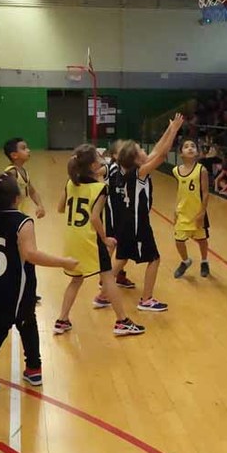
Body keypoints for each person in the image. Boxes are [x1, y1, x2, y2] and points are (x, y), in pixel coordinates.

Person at [0, 174, 78, 396]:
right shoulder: (22, 222)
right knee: (27, 324)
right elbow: (31, 254)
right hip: (17, 287)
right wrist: (63, 262)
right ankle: (33, 369)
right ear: (17, 198)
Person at [54, 144, 145, 336]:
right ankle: (122, 321)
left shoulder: (70, 183)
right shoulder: (100, 188)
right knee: (108, 277)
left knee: (76, 279)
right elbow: (95, 218)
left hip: (72, 238)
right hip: (90, 239)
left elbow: (60, 208)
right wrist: (105, 238)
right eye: (98, 156)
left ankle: (62, 320)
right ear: (94, 166)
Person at [108, 114, 184, 311]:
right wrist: (174, 132)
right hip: (137, 223)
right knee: (154, 258)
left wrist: (169, 129)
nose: (145, 151)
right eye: (141, 150)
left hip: (126, 222)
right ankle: (146, 299)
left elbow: (157, 150)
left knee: (123, 256)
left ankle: (102, 294)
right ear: (136, 159)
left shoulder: (126, 169)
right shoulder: (140, 173)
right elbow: (161, 155)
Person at [171, 139, 211, 279]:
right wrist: (175, 209)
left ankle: (204, 261)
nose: (190, 148)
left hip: (197, 212)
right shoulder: (176, 171)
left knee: (202, 240)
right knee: (179, 240)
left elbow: (205, 193)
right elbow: (179, 190)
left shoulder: (201, 170)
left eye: (193, 146)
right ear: (181, 153)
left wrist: (202, 213)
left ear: (197, 152)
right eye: (186, 146)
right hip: (183, 212)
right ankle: (186, 261)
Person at [102, 139, 136, 290]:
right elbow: (96, 172)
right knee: (113, 243)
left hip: (123, 211)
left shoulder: (126, 168)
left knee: (122, 245)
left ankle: (119, 275)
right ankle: (103, 278)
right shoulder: (111, 167)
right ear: (115, 155)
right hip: (114, 212)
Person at [2, 137, 46, 219]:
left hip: (21, 213)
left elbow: (32, 192)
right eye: (23, 148)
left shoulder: (23, 171)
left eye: (27, 148)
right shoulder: (11, 172)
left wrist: (40, 205)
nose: (28, 150)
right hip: (12, 216)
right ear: (14, 155)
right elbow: (2, 195)